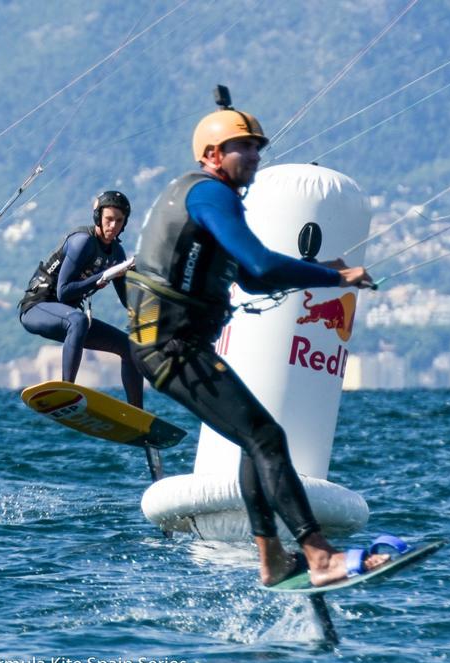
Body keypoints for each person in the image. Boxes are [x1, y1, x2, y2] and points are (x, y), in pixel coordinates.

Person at [126, 105, 388, 587]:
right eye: (241, 147)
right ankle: (318, 553)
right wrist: (337, 275)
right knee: (266, 438)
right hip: (171, 348)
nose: (253, 154)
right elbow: (262, 267)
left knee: (257, 437)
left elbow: (250, 278)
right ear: (211, 154)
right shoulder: (209, 195)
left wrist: (324, 273)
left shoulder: (208, 196)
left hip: (173, 346)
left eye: (256, 147)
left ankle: (272, 560)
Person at [18, 191, 142, 408]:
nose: (113, 225)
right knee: (78, 319)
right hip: (37, 307)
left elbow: (128, 302)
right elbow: (63, 292)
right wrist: (101, 277)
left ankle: (137, 413)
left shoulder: (117, 254)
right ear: (98, 218)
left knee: (130, 347)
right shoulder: (82, 241)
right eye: (108, 219)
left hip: (69, 318)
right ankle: (67, 391)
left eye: (119, 221)